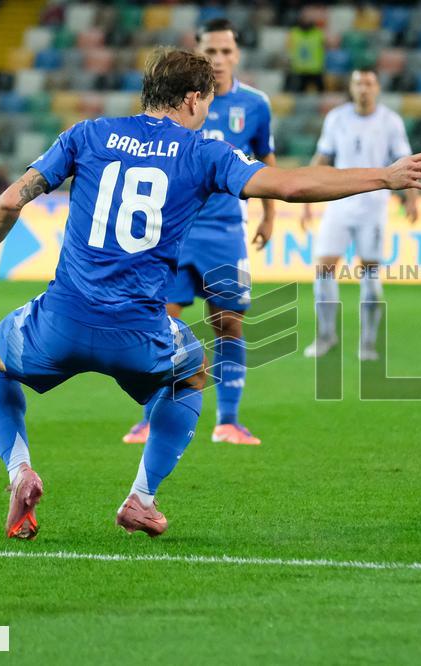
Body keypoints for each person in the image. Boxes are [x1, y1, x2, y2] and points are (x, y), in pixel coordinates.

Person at [0, 47, 421, 540]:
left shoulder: (87, 134)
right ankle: (141, 499)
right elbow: (290, 186)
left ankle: (20, 470)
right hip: (138, 332)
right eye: (206, 102)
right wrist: (385, 176)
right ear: (191, 99)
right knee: (194, 370)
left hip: (62, 320)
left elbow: (10, 201)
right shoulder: (204, 151)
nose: (206, 111)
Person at [122, 18, 277, 447]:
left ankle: (228, 421)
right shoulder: (176, 100)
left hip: (225, 230)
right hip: (174, 228)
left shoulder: (256, 105)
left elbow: (266, 162)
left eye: (227, 51)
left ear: (237, 55)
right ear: (199, 54)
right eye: (212, 51)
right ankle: (150, 419)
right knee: (162, 322)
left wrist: (269, 216)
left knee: (227, 322)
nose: (220, 59)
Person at [301, 68, 418, 361]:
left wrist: (411, 198)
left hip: (373, 207)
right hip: (338, 203)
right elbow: (322, 157)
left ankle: (367, 344)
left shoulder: (390, 121)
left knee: (370, 273)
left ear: (376, 88)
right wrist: (305, 199)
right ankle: (326, 336)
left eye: (368, 83)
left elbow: (404, 161)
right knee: (324, 267)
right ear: (351, 88)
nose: (363, 88)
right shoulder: (336, 118)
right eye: (358, 83)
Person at [286, 16, 325, 93]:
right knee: (299, 94)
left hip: (315, 69)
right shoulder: (293, 33)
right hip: (298, 69)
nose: (306, 22)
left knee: (320, 93)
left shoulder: (318, 33)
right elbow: (288, 50)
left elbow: (324, 48)